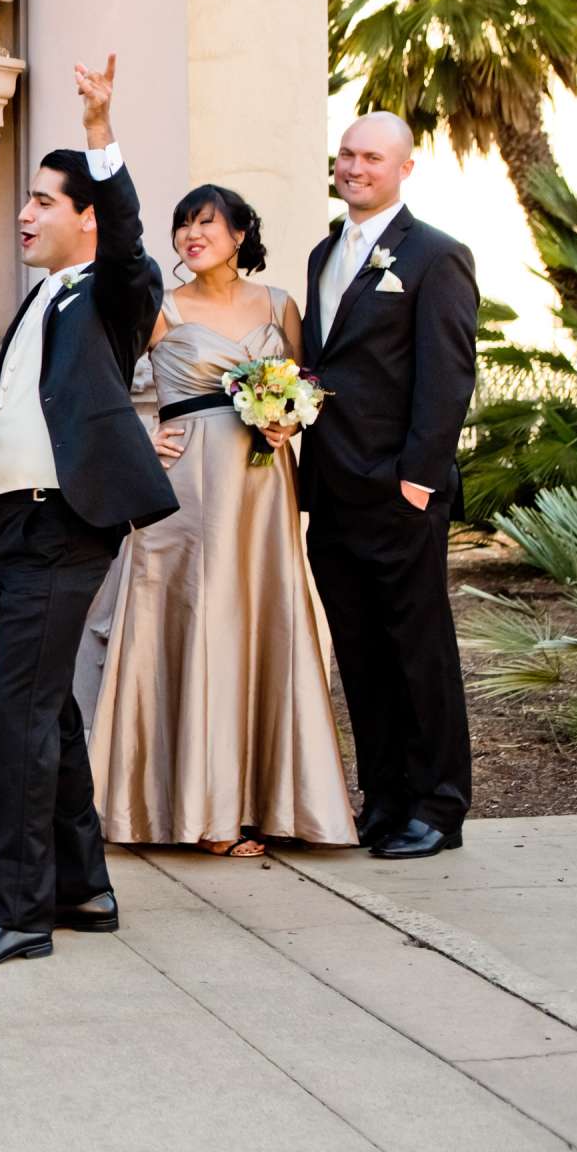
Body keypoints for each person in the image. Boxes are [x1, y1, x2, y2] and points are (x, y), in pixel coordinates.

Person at [0, 55, 177, 971]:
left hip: (65, 524)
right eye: (24, 201)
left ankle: (17, 914)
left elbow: (135, 238)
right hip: (11, 525)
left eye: (41, 200)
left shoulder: (117, 290)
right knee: (47, 710)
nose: (24, 213)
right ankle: (82, 884)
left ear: (86, 217)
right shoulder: (40, 300)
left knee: (22, 718)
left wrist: (102, 130)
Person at [91, 186, 356, 855]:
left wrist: (287, 418)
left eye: (205, 223)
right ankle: (202, 811)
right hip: (188, 488)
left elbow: (307, 385)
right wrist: (140, 434)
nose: (190, 235)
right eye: (182, 225)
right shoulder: (161, 306)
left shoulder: (278, 305)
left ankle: (269, 801)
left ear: (240, 233)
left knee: (260, 618)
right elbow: (100, 383)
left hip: (263, 484)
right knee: (202, 620)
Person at [300, 113, 478, 860]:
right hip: (333, 490)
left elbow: (449, 377)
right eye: (346, 153)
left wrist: (416, 483)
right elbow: (325, 363)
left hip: (398, 490)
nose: (354, 167)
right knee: (361, 652)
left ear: (405, 167)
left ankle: (438, 805)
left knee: (419, 649)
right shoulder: (322, 252)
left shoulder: (436, 257)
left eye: (371, 156)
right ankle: (385, 799)